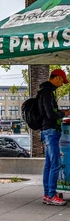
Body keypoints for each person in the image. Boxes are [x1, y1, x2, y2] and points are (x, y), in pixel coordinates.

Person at [39, 69, 70, 206]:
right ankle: (51, 195)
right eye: (62, 81)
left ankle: (47, 193)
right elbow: (51, 114)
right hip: (51, 130)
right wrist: (63, 113)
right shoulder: (47, 93)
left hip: (47, 130)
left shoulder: (44, 92)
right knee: (55, 163)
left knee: (49, 164)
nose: (62, 84)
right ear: (56, 78)